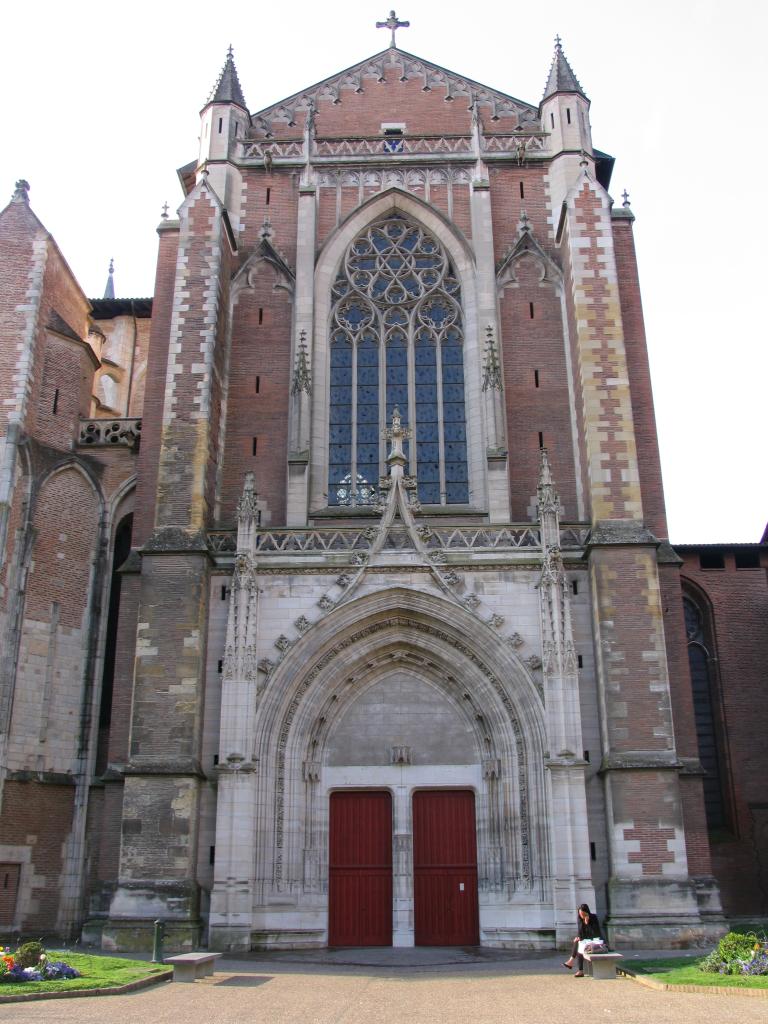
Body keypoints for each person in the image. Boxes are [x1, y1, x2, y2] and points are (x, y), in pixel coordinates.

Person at [562, 903, 602, 977]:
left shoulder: (593, 917)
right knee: (578, 943)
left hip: (595, 940)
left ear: (587, 912)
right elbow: (580, 932)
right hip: (585, 941)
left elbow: (596, 933)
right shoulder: (580, 919)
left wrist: (588, 923)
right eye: (580, 914)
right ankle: (575, 965)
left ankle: (575, 966)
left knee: (580, 945)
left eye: (583, 914)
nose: (581, 916)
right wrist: (578, 937)